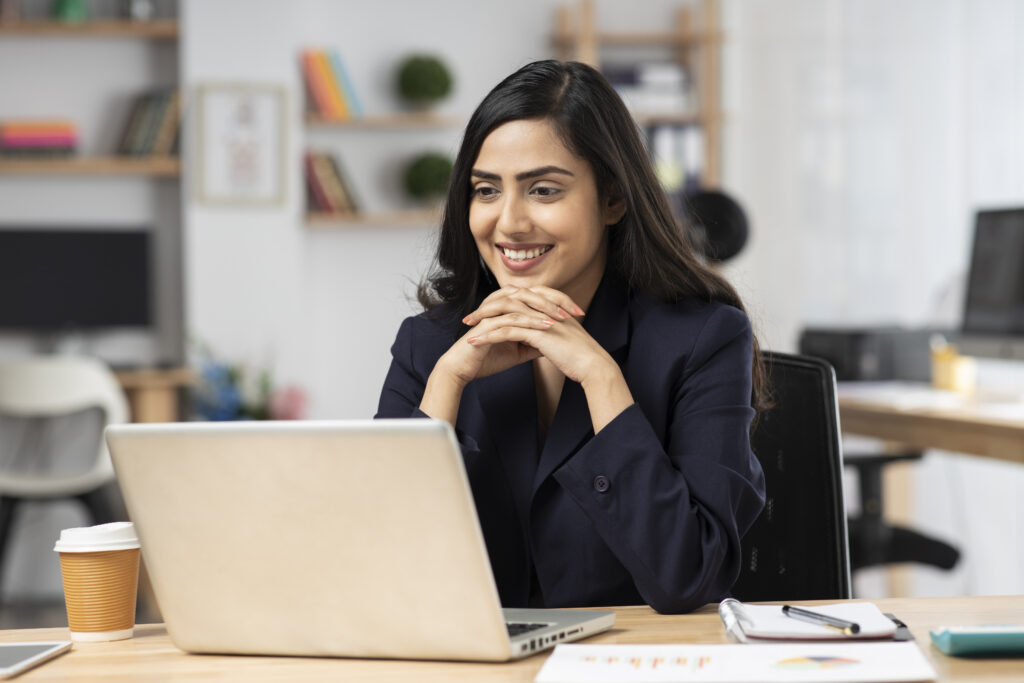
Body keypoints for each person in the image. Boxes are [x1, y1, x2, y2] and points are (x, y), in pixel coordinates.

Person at [376, 60, 766, 614]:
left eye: (542, 190)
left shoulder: (704, 338)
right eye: (486, 191)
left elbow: (689, 580)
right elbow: (379, 568)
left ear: (613, 199)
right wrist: (445, 386)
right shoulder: (430, 345)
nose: (508, 222)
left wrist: (603, 379)